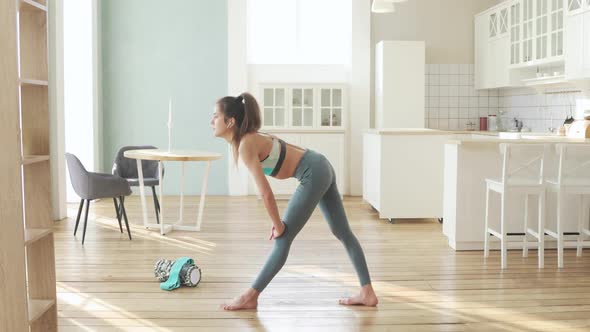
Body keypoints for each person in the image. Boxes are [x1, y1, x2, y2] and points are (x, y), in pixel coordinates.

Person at [211, 92, 378, 310]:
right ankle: (368, 292)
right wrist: (278, 224)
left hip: (313, 171)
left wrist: (278, 225)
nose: (211, 121)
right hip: (320, 164)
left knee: (283, 239)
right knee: (342, 232)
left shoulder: (246, 144)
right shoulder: (248, 139)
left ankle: (250, 296)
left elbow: (266, 194)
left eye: (215, 116)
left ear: (230, 121)